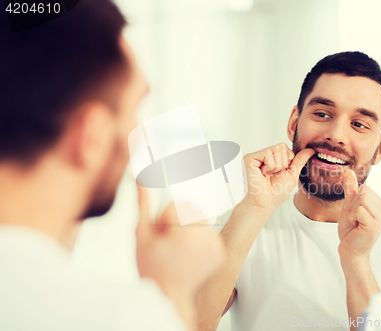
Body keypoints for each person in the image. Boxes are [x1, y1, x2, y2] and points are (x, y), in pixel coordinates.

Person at [0, 1, 223, 330]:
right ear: (93, 137)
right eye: (133, 109)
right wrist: (173, 294)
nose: (137, 134)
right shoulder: (118, 318)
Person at [195, 52, 381, 331]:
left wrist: (357, 262)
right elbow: (190, 322)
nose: (336, 135)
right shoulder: (239, 226)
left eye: (359, 124)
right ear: (294, 122)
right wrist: (253, 210)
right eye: (322, 114)